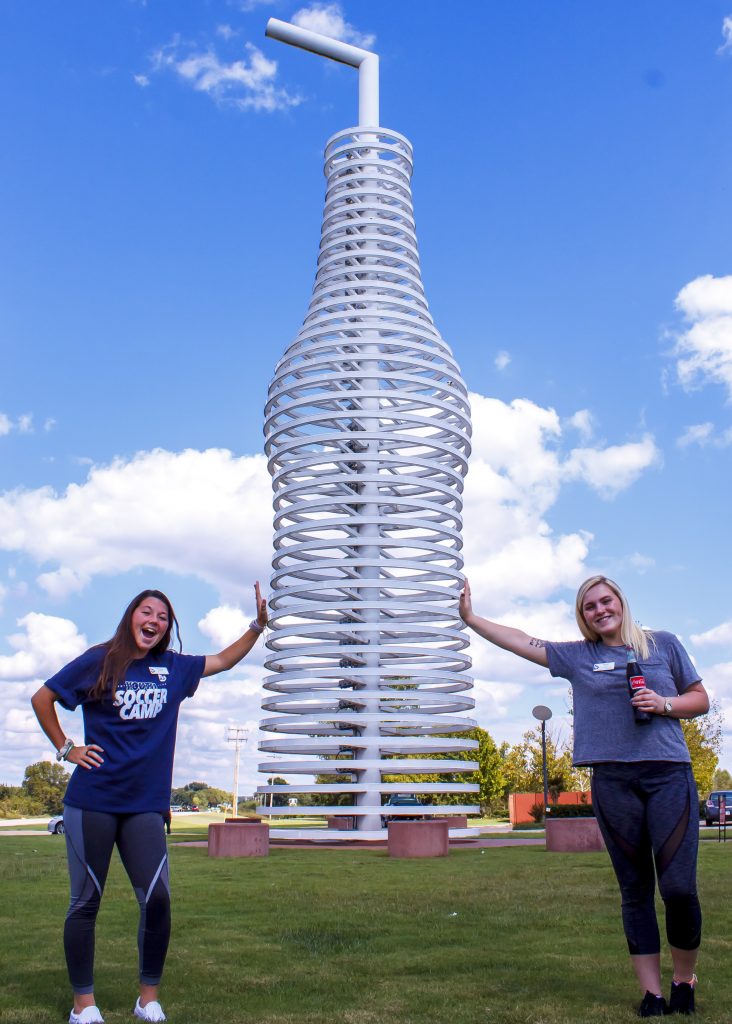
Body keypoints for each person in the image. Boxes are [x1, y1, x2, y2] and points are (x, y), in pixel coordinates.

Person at [460, 574, 709, 1018]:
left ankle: (683, 979)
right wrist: (471, 617)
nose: (599, 609)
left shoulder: (663, 644)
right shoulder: (578, 657)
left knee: (677, 888)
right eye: (589, 606)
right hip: (613, 780)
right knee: (634, 889)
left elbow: (700, 698)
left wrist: (664, 704)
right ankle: (652, 994)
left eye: (605, 600)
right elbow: (520, 640)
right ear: (583, 616)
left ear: (620, 601)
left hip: (668, 774)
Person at [31, 584, 268, 1024]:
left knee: (157, 900)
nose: (154, 620)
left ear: (166, 628)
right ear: (131, 617)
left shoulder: (174, 669)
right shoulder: (98, 660)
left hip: (145, 806)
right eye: (147, 612)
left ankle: (147, 1000)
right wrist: (67, 750)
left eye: (163, 616)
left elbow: (223, 660)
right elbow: (43, 698)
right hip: (93, 802)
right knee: (85, 904)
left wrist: (256, 626)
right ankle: (83, 1007)